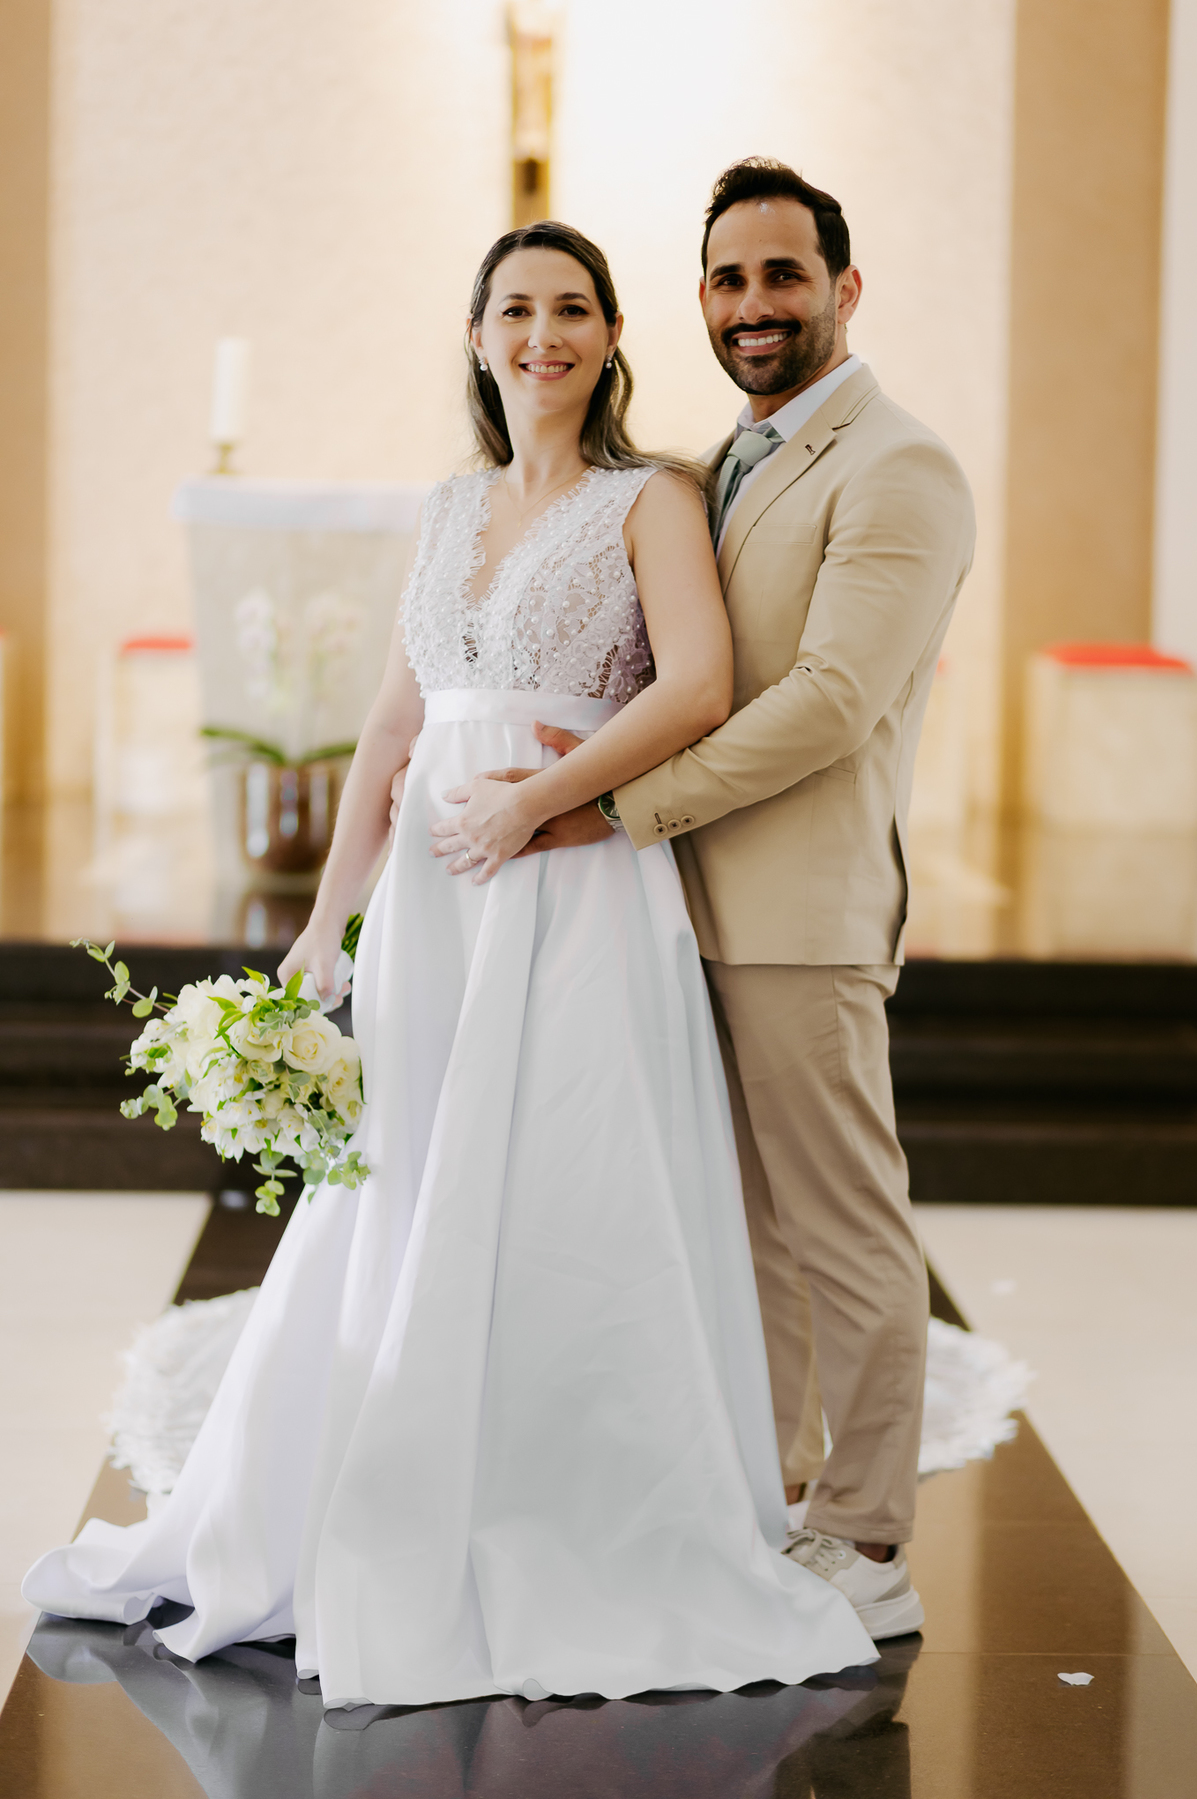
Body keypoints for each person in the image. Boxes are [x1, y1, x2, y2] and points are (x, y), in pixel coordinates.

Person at [23, 220, 874, 1705]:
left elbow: (696, 687)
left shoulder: (653, 498)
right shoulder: (445, 507)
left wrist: (543, 803)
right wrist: (323, 928)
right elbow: (392, 732)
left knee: (566, 1182)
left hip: (578, 884)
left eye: (572, 309)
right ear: (477, 337)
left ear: (613, 335)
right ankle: (387, 1483)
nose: (543, 335)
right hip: (436, 900)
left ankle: (566, 1508)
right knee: (414, 1180)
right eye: (515, 310)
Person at [437, 161, 976, 1640]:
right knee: (746, 1231)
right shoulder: (719, 467)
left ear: (844, 289)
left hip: (797, 910)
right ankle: (774, 1490)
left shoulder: (898, 467)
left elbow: (830, 700)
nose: (754, 305)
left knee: (845, 1226)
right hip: (675, 907)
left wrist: (611, 808)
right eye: (729, 281)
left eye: (784, 275)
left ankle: (868, 1535)